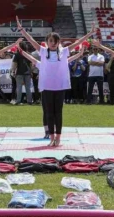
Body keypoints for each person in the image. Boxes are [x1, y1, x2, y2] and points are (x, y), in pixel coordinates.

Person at [18, 17, 95, 146]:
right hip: (47, 87)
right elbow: (31, 40)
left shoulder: (64, 52)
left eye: (55, 41)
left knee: (58, 113)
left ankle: (58, 138)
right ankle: (51, 137)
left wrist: (90, 34)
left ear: (58, 42)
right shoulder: (42, 51)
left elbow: (78, 42)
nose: (53, 43)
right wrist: (21, 30)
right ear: (47, 42)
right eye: (50, 41)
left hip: (59, 87)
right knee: (49, 113)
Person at [18, 45, 88, 139]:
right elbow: (31, 58)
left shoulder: (62, 61)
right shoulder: (42, 63)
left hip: (58, 89)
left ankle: (54, 130)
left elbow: (74, 57)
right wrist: (22, 52)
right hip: (46, 90)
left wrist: (81, 52)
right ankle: (47, 131)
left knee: (56, 112)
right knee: (46, 111)